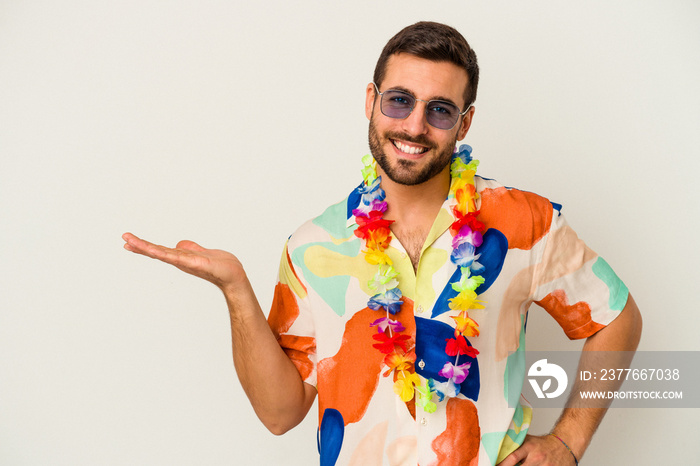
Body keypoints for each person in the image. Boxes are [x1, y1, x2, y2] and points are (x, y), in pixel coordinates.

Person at [123, 21, 642, 466]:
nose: (415, 126)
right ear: (371, 101)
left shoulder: (524, 221)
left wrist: (569, 442)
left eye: (440, 110)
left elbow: (615, 315)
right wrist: (235, 289)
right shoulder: (312, 246)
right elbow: (280, 414)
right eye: (400, 101)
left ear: (464, 122)